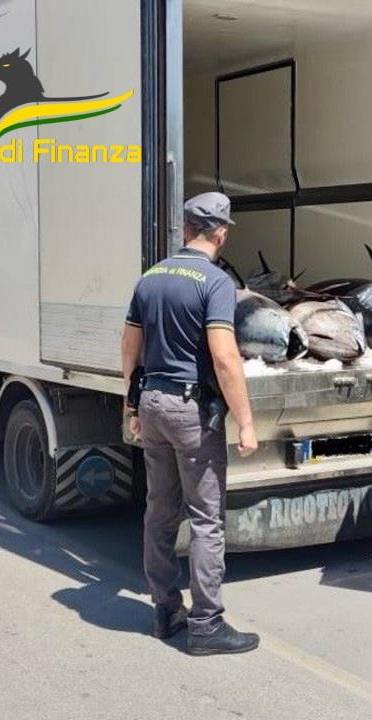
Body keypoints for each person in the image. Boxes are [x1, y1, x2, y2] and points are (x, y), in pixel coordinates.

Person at [120, 191, 260, 655]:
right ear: (221, 233)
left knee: (160, 511)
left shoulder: (150, 277)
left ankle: (165, 610)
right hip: (189, 411)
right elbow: (224, 357)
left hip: (153, 403)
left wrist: (131, 406)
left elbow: (129, 347)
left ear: (184, 229)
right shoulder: (216, 282)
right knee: (205, 520)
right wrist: (245, 421)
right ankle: (206, 625)